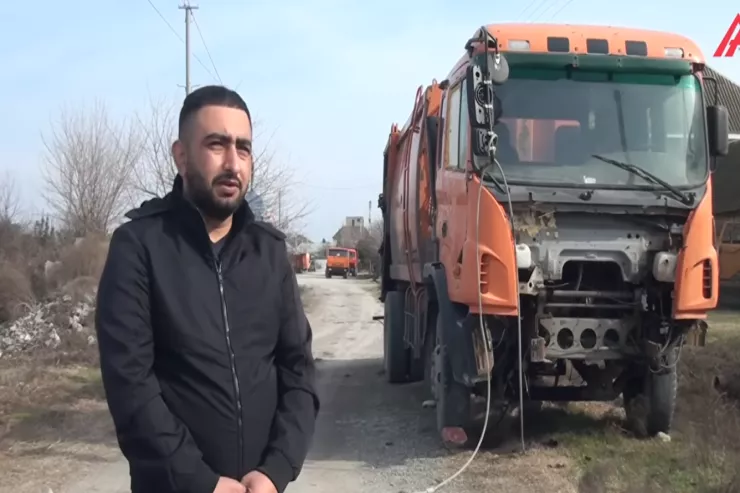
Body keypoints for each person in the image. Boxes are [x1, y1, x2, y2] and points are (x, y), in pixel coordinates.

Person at [95, 85, 320, 493]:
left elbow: (298, 371)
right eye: (217, 145)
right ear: (181, 156)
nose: (233, 163)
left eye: (243, 148)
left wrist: (277, 469)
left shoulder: (269, 252)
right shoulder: (139, 247)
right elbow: (130, 386)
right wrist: (200, 482)